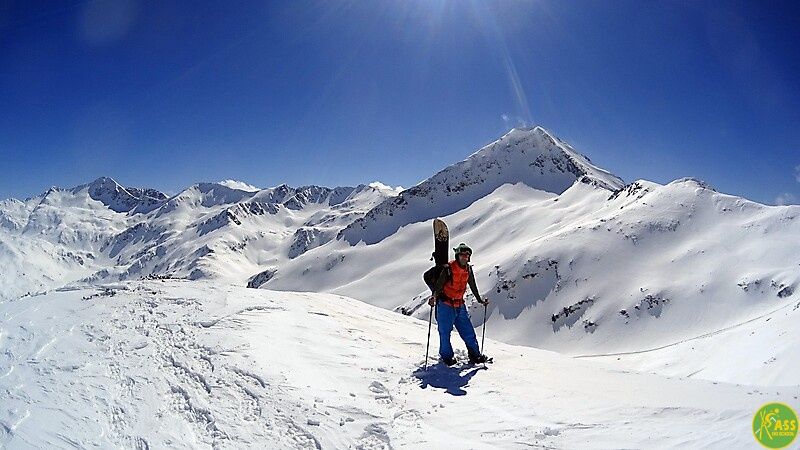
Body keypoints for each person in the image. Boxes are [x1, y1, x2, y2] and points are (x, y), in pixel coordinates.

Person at [428, 243, 490, 365]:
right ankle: (447, 357)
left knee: (468, 332)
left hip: (459, 304)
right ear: (457, 255)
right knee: (445, 333)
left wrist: (480, 300)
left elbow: (473, 285)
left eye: (467, 255)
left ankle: (475, 355)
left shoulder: (468, 269)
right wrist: (434, 297)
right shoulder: (448, 268)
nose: (465, 257)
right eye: (462, 254)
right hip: (445, 305)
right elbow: (439, 285)